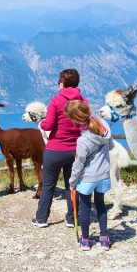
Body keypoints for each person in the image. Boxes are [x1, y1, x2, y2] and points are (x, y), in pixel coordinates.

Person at [32, 69, 87, 228]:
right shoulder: (83, 101)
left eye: (59, 81)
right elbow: (85, 124)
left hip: (55, 150)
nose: (58, 84)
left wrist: (41, 123)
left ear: (63, 83)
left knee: (49, 185)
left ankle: (41, 219)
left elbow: (48, 125)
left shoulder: (56, 100)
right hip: (76, 150)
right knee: (73, 185)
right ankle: (72, 218)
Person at [64, 100, 114, 251]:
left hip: (88, 179)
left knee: (85, 208)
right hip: (104, 175)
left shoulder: (83, 140)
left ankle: (85, 240)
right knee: (101, 205)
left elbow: (78, 164)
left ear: (74, 120)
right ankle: (104, 239)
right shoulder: (104, 125)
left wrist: (72, 184)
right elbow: (110, 145)